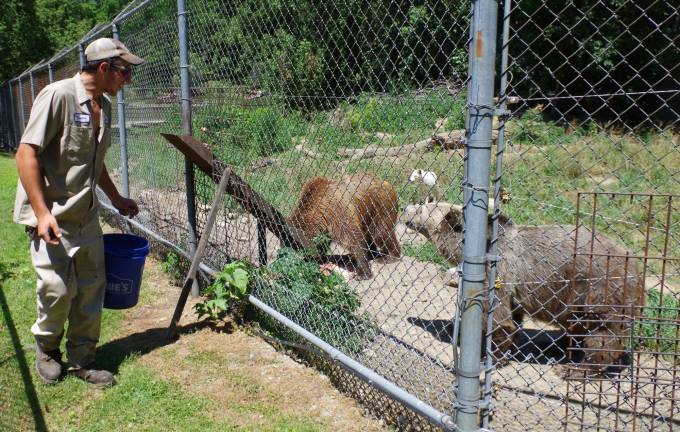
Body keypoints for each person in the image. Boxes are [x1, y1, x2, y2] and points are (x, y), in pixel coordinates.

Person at [14, 38, 144, 386]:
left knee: (90, 288)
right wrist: (42, 213)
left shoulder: (105, 107)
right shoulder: (58, 96)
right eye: (124, 71)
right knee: (56, 289)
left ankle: (83, 358)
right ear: (104, 68)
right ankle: (47, 349)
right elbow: (26, 154)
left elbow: (93, 163)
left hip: (86, 216)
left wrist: (116, 199)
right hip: (53, 217)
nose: (127, 80)